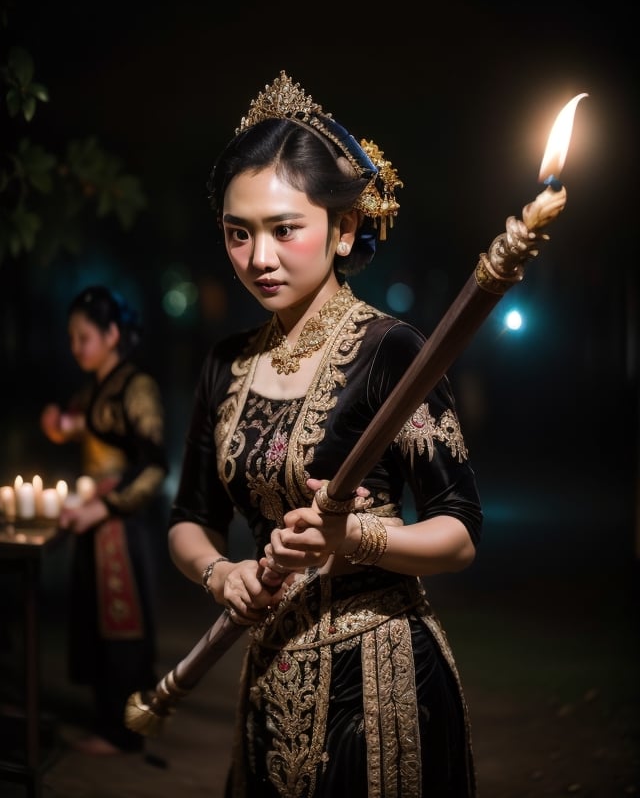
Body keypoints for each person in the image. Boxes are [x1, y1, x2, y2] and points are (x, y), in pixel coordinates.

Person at [167, 71, 485, 797]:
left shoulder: (393, 352)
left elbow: (460, 535)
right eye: (237, 233)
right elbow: (190, 519)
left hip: (380, 684)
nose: (259, 258)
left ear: (344, 230)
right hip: (266, 678)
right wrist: (222, 574)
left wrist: (352, 539)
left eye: (285, 229)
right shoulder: (226, 363)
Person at [41, 285, 169, 755]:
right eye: (71, 338)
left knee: (123, 628)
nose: (76, 348)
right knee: (97, 623)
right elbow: (77, 423)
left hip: (122, 527)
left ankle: (125, 731)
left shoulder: (136, 387)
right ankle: (105, 720)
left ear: (113, 334)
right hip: (95, 525)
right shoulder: (95, 387)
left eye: (84, 337)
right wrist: (58, 423)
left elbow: (153, 463)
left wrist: (105, 505)